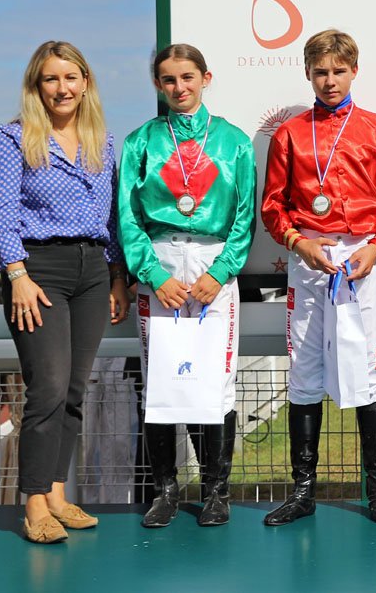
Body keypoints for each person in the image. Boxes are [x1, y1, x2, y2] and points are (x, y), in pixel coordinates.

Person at [261, 29, 376, 525]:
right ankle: (303, 492)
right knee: (304, 370)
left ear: (354, 71)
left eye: (339, 71)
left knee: (370, 370)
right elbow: (272, 206)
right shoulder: (289, 134)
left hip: (363, 258)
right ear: (308, 73)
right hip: (309, 257)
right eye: (321, 72)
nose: (330, 81)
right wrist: (297, 242)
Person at [0, 40, 131, 543]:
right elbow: (0, 216)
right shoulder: (12, 139)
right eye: (51, 78)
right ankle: (34, 503)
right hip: (38, 269)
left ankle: (59, 496)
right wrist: (17, 274)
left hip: (93, 270)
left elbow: (112, 219)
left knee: (73, 390)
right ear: (36, 86)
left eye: (70, 77)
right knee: (46, 387)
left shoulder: (102, 142)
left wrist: (116, 277)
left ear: (85, 83)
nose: (62, 88)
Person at [119, 44, 256, 527]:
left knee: (217, 380)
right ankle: (165, 490)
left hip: (213, 265)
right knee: (159, 378)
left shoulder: (234, 142)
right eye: (169, 79)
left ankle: (216, 491)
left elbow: (244, 216)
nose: (179, 87)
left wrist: (220, 272)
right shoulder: (140, 142)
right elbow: (128, 216)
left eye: (187, 77)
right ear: (158, 85)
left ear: (205, 78)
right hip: (159, 264)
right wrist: (153, 274)